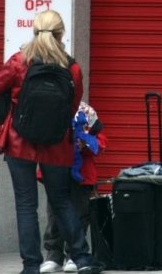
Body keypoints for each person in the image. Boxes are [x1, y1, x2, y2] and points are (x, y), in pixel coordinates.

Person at [0, 10, 105, 274]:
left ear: (35, 31)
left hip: (19, 142)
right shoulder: (72, 68)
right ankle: (82, 259)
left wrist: (6, 114)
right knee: (61, 200)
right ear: (61, 34)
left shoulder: (19, 61)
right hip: (57, 143)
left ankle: (31, 266)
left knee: (26, 205)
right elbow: (73, 106)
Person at [39, 102, 108, 273]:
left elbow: (100, 140)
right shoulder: (51, 108)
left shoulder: (86, 111)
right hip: (54, 168)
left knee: (79, 214)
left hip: (81, 173)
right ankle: (53, 255)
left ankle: (73, 255)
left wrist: (87, 145)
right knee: (54, 214)